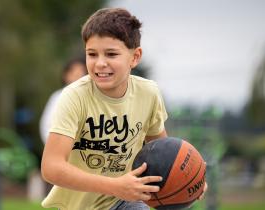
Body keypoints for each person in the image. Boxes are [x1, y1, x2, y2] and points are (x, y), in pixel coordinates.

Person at [41, 8, 207, 210]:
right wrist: (115, 186)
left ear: (135, 57)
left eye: (111, 54)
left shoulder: (149, 93)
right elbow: (51, 167)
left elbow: (163, 155)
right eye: (92, 54)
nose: (100, 63)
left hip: (125, 202)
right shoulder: (74, 96)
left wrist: (188, 180)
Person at [39, 57, 87, 144]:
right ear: (65, 75)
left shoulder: (93, 97)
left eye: (81, 71)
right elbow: (46, 125)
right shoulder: (57, 97)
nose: (77, 74)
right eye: (73, 71)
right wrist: (53, 146)